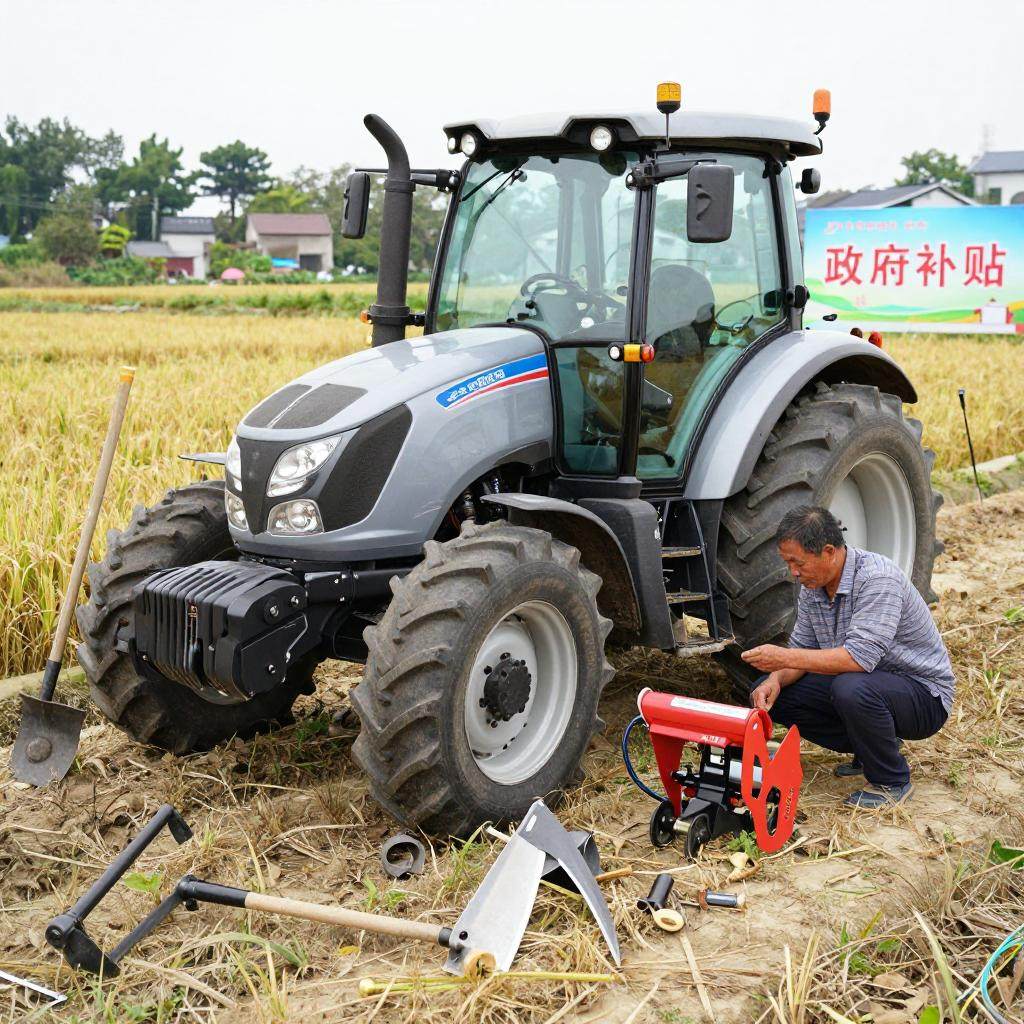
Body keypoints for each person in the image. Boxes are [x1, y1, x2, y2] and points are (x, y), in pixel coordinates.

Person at [740, 505, 954, 808]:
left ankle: (891, 781)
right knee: (775, 692)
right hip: (871, 686)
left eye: (797, 562)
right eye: (787, 563)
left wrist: (784, 657)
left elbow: (857, 660)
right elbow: (802, 648)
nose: (793, 572)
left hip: (923, 695)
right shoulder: (813, 586)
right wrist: (774, 679)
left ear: (829, 551)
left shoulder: (877, 579)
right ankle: (875, 748)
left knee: (851, 687)